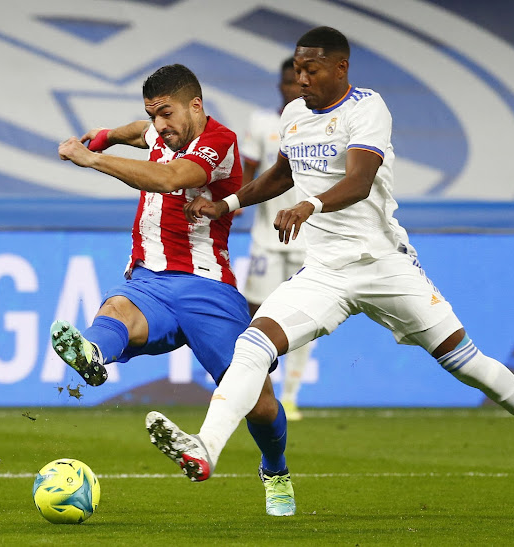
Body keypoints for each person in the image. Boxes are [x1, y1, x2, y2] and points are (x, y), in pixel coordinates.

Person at [145, 28, 514, 499]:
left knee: (466, 363)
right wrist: (228, 204)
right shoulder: (295, 115)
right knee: (254, 344)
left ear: (340, 68)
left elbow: (360, 180)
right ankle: (206, 448)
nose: (300, 79)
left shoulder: (368, 108)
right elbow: (281, 175)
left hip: (383, 265)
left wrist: (309, 207)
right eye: (297, 69)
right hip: (324, 272)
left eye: (311, 70)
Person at [55, 64, 295, 517]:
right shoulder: (162, 133)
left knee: (260, 404)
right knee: (117, 307)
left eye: (166, 114)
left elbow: (169, 179)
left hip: (209, 289)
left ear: (196, 106)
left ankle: (276, 469)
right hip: (151, 281)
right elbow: (139, 132)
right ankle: (92, 353)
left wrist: (94, 159)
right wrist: (107, 135)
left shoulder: (219, 142)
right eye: (154, 116)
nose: (159, 127)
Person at [240, 56, 312, 421]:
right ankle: (256, 387)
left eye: (298, 80)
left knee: (304, 318)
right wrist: (233, 201)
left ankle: (292, 395)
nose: (293, 86)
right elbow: (250, 170)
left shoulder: (320, 126)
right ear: (280, 85)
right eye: (288, 80)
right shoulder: (263, 122)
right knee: (255, 313)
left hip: (309, 242)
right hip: (267, 239)